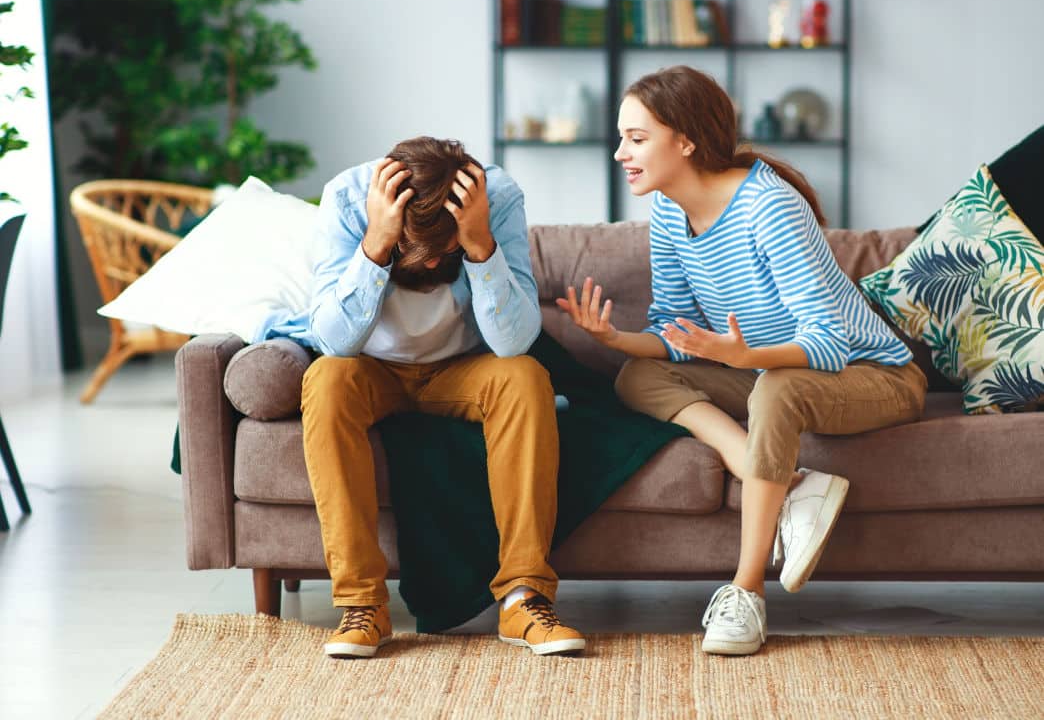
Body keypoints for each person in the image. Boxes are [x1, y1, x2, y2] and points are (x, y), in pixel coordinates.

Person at [555, 66, 926, 656]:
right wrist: (616, 339)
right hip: (763, 369)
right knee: (640, 375)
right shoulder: (671, 214)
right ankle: (787, 480)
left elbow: (827, 342)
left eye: (636, 137)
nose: (620, 152)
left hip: (873, 375)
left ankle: (746, 593)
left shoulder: (768, 207)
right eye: (622, 137)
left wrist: (746, 355)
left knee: (775, 387)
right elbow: (675, 333)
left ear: (685, 140)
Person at [258, 136, 585, 659]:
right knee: (325, 379)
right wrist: (377, 243)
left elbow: (513, 341)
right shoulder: (345, 201)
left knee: (524, 377)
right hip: (374, 369)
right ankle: (363, 605)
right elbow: (335, 341)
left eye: (445, 253)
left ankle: (524, 598)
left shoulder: (496, 198)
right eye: (421, 253)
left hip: (464, 369)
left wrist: (479, 244)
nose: (434, 268)